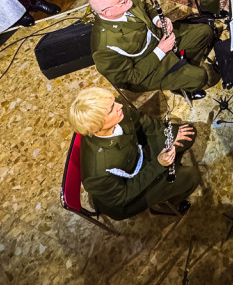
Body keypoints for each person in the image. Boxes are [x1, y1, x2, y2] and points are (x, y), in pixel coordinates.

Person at [68, 87, 198, 219]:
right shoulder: (96, 173)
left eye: (114, 102)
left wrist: (164, 132)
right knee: (192, 177)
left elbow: (141, 121)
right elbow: (124, 196)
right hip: (129, 194)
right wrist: (158, 165)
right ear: (94, 128)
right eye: (111, 109)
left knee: (188, 134)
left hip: (138, 154)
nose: (119, 106)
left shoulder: (117, 113)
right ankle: (161, 205)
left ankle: (170, 172)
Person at [88, 0, 215, 98]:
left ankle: (186, 67)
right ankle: (180, 87)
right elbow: (131, 78)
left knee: (204, 32)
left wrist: (158, 20)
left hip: (159, 37)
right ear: (108, 13)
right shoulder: (103, 47)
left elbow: (145, 7)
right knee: (200, 77)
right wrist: (160, 50)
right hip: (147, 66)